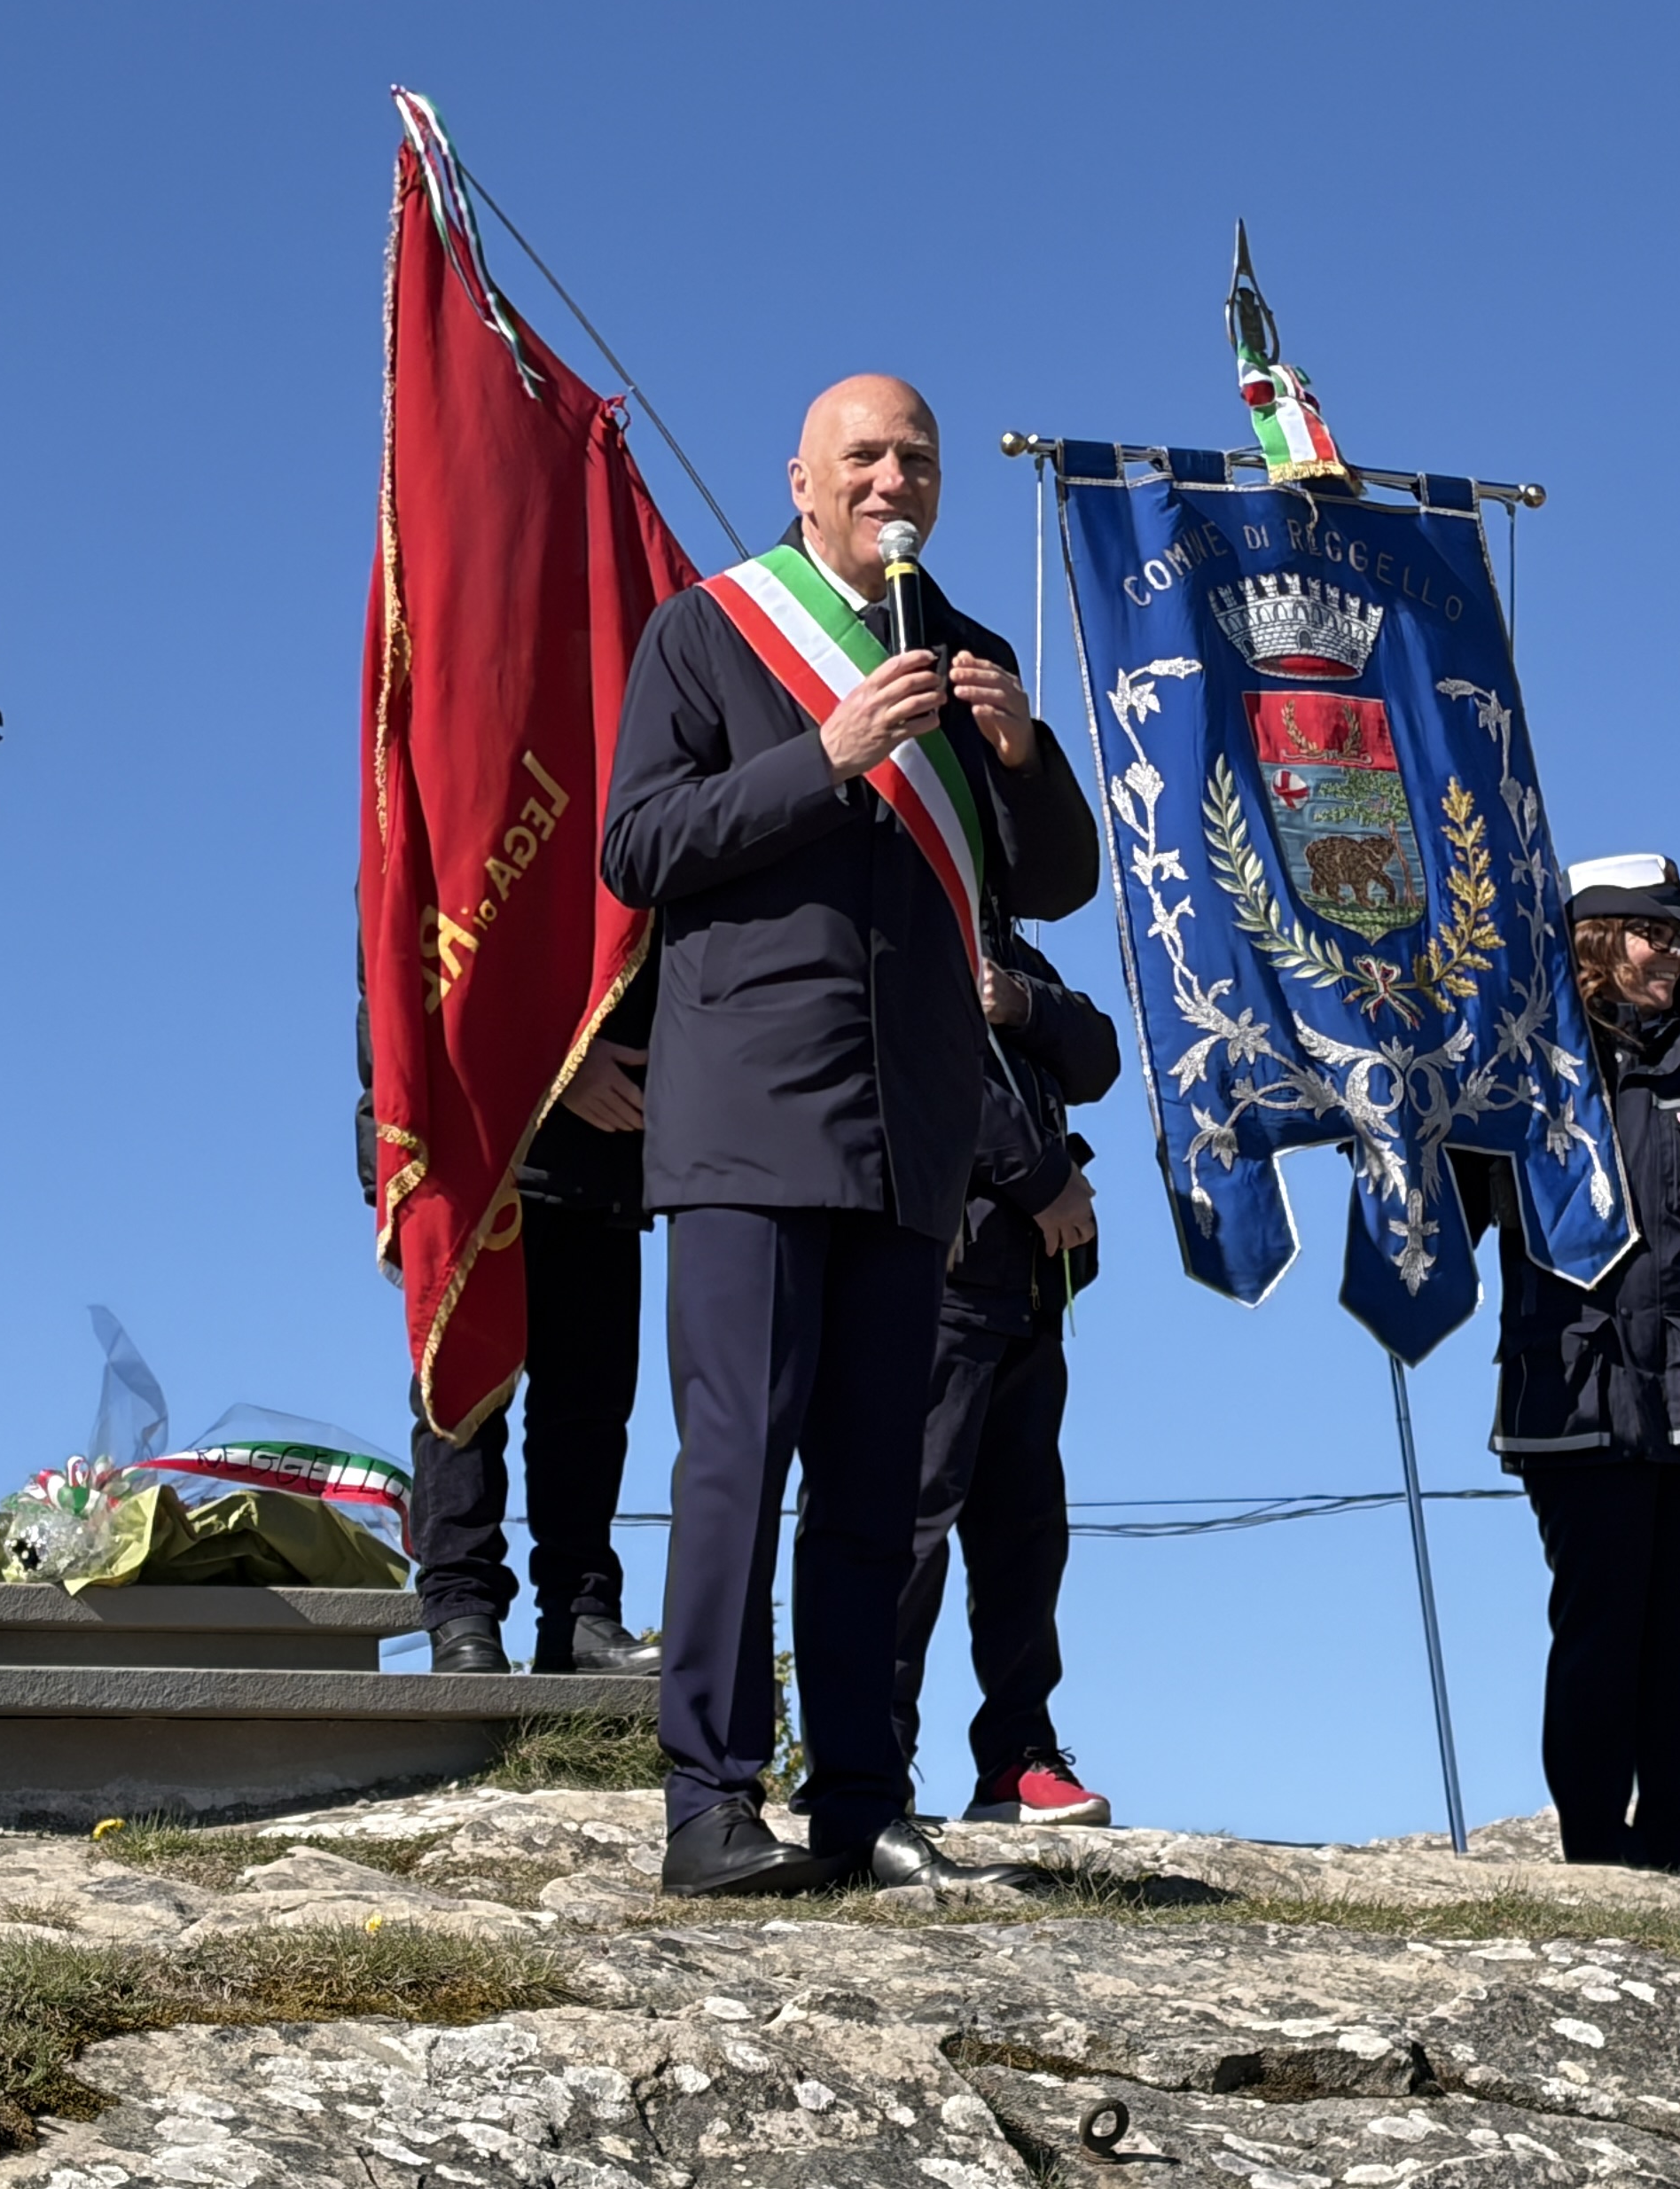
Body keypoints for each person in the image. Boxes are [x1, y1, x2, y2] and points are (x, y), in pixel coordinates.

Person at [599, 374, 1100, 1897]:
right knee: (738, 1459)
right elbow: (640, 843)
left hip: (913, 1127)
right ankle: (709, 1799)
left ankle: (862, 1799)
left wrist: (1021, 756)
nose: (894, 480)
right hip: (751, 1112)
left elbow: (1057, 882)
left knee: (878, 1481)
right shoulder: (708, 628)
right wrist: (822, 752)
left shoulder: (964, 648)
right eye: (865, 457)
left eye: (917, 459)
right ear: (803, 482)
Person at [1454, 855, 1680, 1881]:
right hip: (1574, 1400)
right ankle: (1594, 1860)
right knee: (1600, 1635)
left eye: (1679, 936)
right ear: (1594, 941)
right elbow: (1444, 1215)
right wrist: (1403, 1121)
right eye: (1652, 932)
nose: (1671, 952)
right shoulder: (1516, 1078)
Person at [357, 952, 666, 1680]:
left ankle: (581, 1615)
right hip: (467, 1151)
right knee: (462, 1396)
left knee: (590, 1406)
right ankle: (461, 1609)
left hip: (602, 1155)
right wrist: (555, 1066)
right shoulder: (414, 859)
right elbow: (405, 969)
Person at [893, 923, 1121, 1827]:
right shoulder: (897, 919)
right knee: (906, 1529)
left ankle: (1017, 1757)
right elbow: (919, 1060)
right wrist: (1040, 1176)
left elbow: (1097, 1057)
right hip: (934, 1282)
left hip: (1030, 1291)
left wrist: (1020, 1001)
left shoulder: (1011, 949)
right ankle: (871, 1760)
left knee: (1027, 1539)